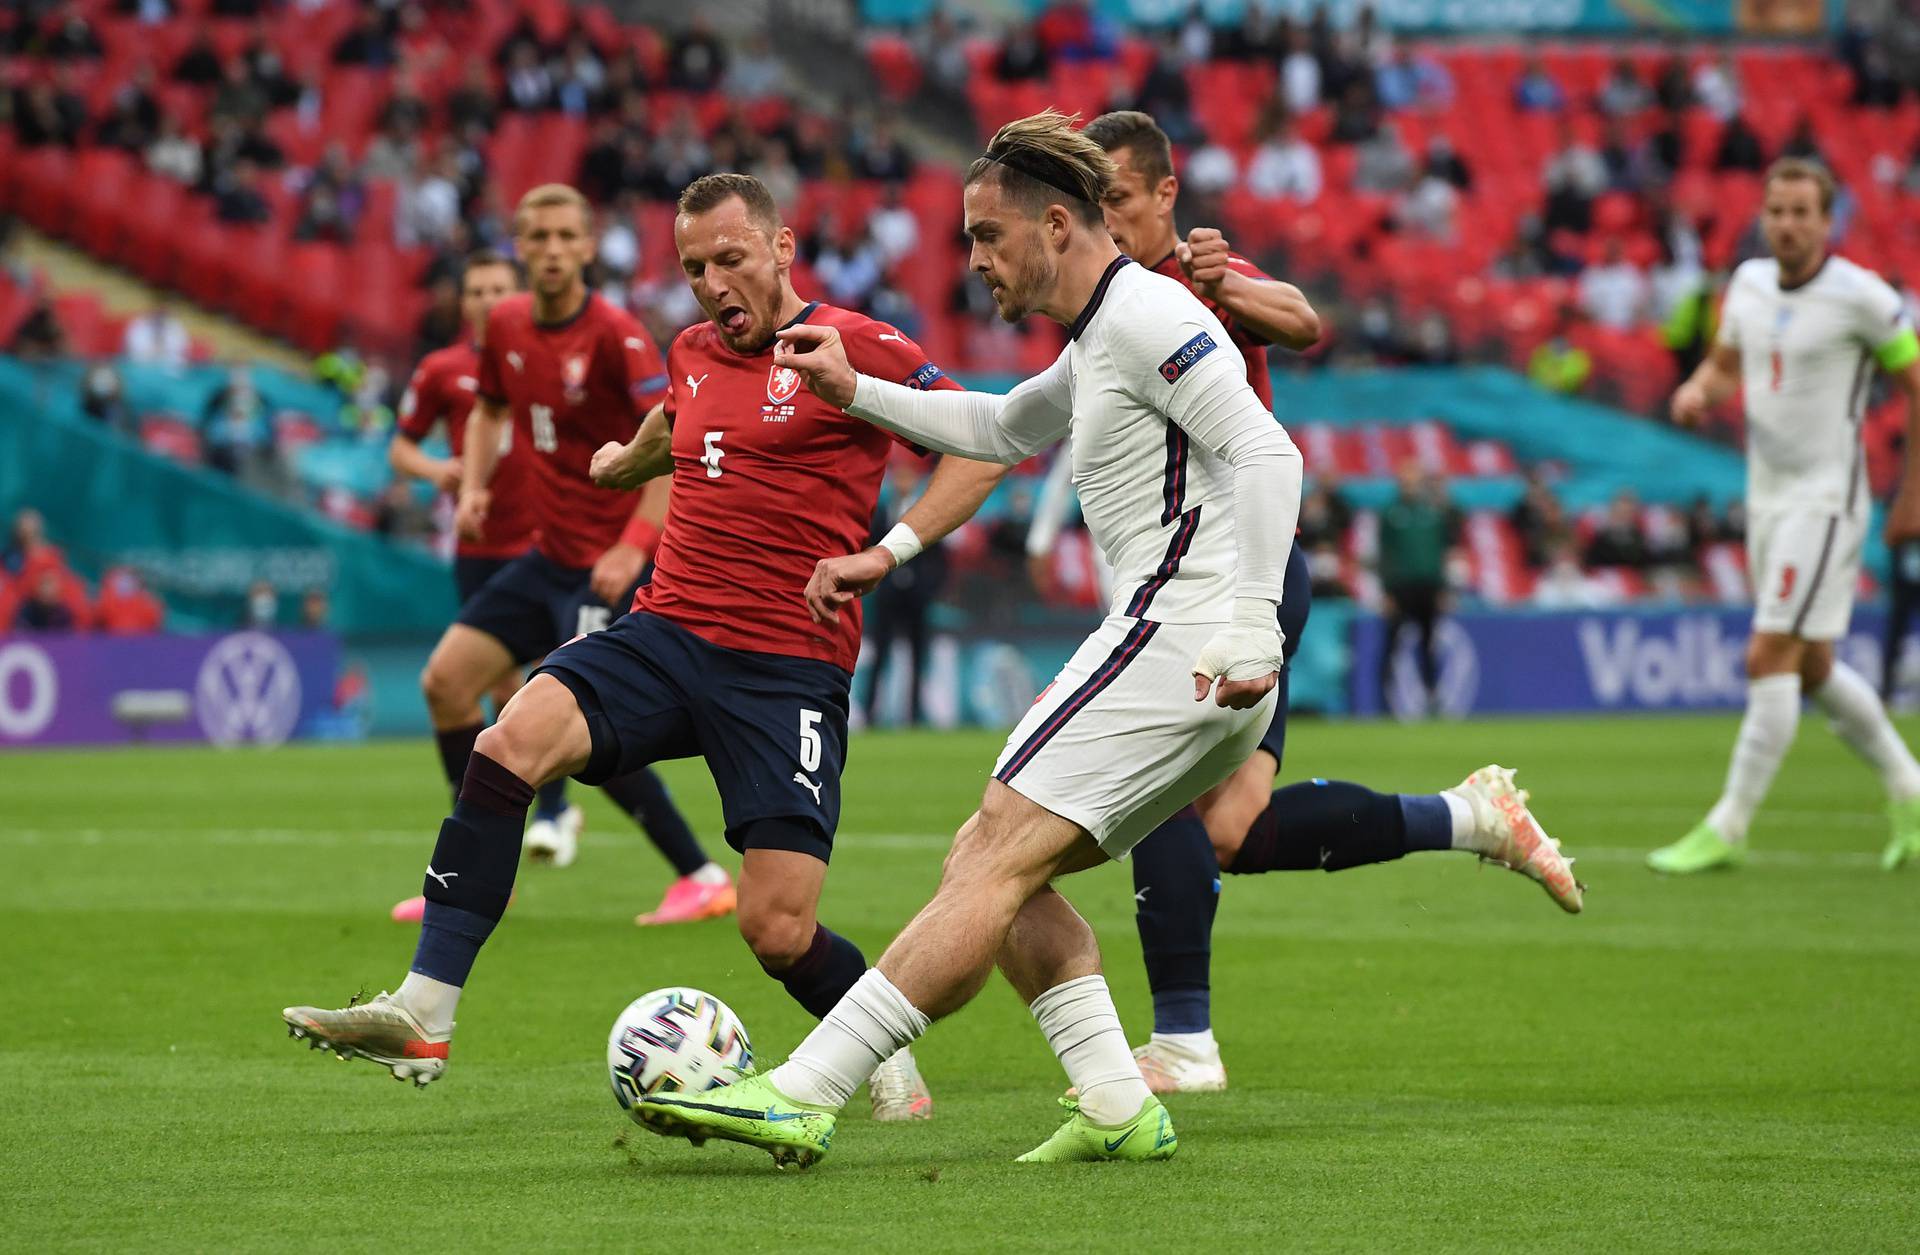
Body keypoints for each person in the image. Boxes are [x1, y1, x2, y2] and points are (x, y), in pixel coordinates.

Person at [630, 110, 1573, 1169]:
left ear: (1062, 225)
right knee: (1010, 870)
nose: (976, 259)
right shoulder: (1103, 332)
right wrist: (860, 395)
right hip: (1200, 657)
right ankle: (1118, 1100)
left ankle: (806, 1091)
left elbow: (1270, 456)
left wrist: (1255, 625)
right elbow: (996, 430)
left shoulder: (1145, 315)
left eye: (991, 235)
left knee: (985, 857)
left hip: (1185, 636)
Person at [283, 173, 1002, 1123]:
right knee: (506, 746)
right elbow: (686, 419)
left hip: (786, 665)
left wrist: (887, 549)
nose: (711, 284)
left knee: (777, 928)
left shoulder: (853, 344)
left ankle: (884, 1060)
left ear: (783, 250)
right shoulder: (693, 348)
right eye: (694, 267)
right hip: (664, 632)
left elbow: (981, 443)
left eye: (731, 259)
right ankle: (425, 1008)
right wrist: (633, 457)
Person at [921, 107, 1581, 1096]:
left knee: (1157, 804)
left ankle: (1184, 1040)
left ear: (1163, 198)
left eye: (1121, 198)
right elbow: (1009, 424)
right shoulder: (1098, 315)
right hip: (1189, 577)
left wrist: (1228, 280)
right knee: (1227, 828)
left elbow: (1307, 325)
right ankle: (1468, 817)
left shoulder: (1182, 285)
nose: (1103, 213)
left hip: (1243, 570)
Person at [376, 188, 728, 924]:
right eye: (538, 236)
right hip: (547, 557)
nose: (553, 248)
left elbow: (674, 437)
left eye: (568, 234)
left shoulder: (617, 335)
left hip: (608, 563)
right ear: (521, 245)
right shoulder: (505, 324)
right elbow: (493, 411)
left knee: (584, 731)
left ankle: (699, 873)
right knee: (445, 682)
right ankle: (464, 865)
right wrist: (472, 486)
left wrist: (635, 546)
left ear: (589, 246)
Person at [1649, 158, 1920, 873]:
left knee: (1768, 654)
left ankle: (1727, 824)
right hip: (1766, 495)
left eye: (1803, 212)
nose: (1789, 224)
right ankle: (1909, 786)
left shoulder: (1862, 296)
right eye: (1778, 211)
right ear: (1763, 217)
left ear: (1827, 221)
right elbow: (1722, 364)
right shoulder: (1747, 283)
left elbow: (1917, 383)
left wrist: (1913, 494)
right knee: (1814, 664)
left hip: (1827, 499)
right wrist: (1698, 391)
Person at [384, 250, 586, 915]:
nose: (486, 298)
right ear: (462, 301)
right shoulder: (443, 369)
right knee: (489, 688)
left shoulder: (545, 356)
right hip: (477, 547)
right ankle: (488, 845)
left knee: (541, 685)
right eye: (475, 289)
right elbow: (401, 445)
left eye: (498, 287)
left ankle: (550, 813)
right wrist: (442, 473)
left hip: (543, 548)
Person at [1377, 461, 1460, 717]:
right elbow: (1384, 554)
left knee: (1428, 645)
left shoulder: (1433, 511)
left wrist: (1443, 588)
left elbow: (1443, 551)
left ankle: (1432, 698)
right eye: (1405, 481)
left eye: (1413, 481)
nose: (1409, 486)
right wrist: (1387, 591)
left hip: (1428, 587)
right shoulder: (1390, 513)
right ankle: (1385, 701)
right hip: (1400, 588)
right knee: (1391, 646)